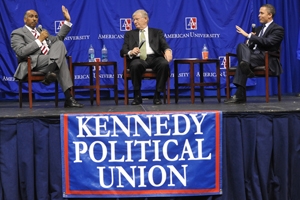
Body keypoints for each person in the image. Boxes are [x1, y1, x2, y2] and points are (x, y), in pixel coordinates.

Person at [11, 5, 83, 108]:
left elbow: (58, 39)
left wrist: (67, 21)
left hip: (49, 61)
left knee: (59, 44)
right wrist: (39, 40)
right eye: (31, 16)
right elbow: (21, 52)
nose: (34, 18)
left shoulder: (41, 31)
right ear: (25, 19)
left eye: (36, 16)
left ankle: (51, 72)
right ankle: (68, 98)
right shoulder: (18, 33)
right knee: (61, 60)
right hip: (33, 63)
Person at [224, 4, 284, 104]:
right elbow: (251, 47)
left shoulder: (278, 29)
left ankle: (239, 95)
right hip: (253, 56)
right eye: (259, 13)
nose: (259, 15)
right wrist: (249, 42)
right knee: (241, 46)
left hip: (266, 57)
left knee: (243, 62)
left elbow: (268, 42)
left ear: (269, 15)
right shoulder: (258, 29)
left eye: (261, 13)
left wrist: (249, 35)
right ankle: (245, 65)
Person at [120, 9, 172, 105]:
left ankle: (157, 94)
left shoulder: (157, 32)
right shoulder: (130, 34)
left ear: (145, 19)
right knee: (135, 65)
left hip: (154, 58)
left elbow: (164, 45)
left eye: (137, 19)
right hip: (138, 58)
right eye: (133, 20)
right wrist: (131, 52)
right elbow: (123, 50)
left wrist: (168, 50)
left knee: (164, 64)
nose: (134, 22)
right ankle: (137, 95)